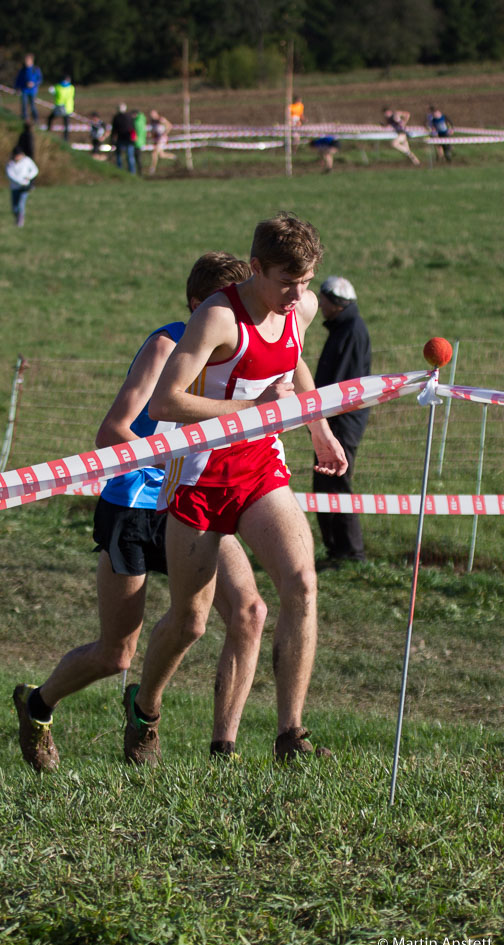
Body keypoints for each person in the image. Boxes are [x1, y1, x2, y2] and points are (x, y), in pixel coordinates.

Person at [13, 253, 267, 772]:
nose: (234, 318)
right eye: (224, 306)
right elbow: (112, 432)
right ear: (197, 306)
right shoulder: (167, 346)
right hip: (135, 504)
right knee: (116, 655)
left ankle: (204, 744)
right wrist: (169, 460)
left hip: (193, 501)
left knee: (248, 612)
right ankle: (37, 705)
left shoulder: (236, 357)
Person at [122, 212, 348, 767]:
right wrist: (252, 409)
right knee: (190, 622)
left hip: (260, 466)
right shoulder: (218, 317)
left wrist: (319, 429)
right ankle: (144, 709)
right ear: (256, 268)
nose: (297, 294)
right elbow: (166, 402)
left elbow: (294, 362)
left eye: (306, 280)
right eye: (286, 282)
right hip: (199, 475)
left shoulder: (301, 308)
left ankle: (290, 736)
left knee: (302, 582)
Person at [313, 276, 371, 565]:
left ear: (336, 302)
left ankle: (351, 552)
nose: (320, 305)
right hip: (335, 421)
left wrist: (323, 417)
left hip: (341, 423)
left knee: (337, 483)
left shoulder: (351, 330)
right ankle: (336, 550)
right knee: (326, 483)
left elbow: (341, 384)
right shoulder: (343, 327)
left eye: (323, 300)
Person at [6, 146, 38, 227]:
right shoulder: (10, 164)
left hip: (25, 187)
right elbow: (10, 175)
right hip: (15, 187)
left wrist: (28, 177)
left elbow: (35, 170)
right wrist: (21, 182)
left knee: (21, 204)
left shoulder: (27, 161)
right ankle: (17, 218)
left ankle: (20, 222)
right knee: (14, 207)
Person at [47, 75, 75, 142]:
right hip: (68, 108)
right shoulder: (72, 88)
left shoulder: (58, 87)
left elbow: (53, 92)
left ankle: (48, 132)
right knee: (66, 124)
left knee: (50, 118)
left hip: (59, 107)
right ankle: (66, 139)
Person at [15, 53, 42, 122]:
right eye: (25, 60)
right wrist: (17, 88)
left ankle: (36, 119)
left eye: (28, 60)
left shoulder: (35, 69)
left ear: (32, 61)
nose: (26, 62)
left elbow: (40, 79)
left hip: (33, 91)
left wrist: (34, 84)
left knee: (33, 106)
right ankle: (24, 119)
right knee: (24, 105)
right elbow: (18, 80)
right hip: (24, 90)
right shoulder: (23, 70)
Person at [110, 102, 136, 174]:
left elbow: (114, 130)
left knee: (123, 156)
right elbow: (133, 128)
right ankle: (129, 172)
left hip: (125, 139)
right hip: (125, 139)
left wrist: (112, 139)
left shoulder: (117, 117)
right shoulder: (129, 117)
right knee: (127, 156)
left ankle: (124, 171)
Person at [148, 109, 174, 174]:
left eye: (153, 114)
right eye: (151, 114)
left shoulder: (161, 119)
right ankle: (174, 157)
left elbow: (170, 126)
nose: (151, 115)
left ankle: (152, 168)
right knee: (161, 155)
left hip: (162, 139)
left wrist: (165, 133)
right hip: (156, 138)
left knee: (154, 153)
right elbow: (153, 130)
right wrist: (151, 134)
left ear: (156, 114)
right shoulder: (152, 121)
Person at [131, 108, 147, 175]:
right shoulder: (142, 120)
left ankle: (138, 172)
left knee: (136, 158)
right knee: (138, 158)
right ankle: (139, 172)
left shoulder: (136, 122)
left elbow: (135, 131)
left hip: (137, 141)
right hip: (141, 141)